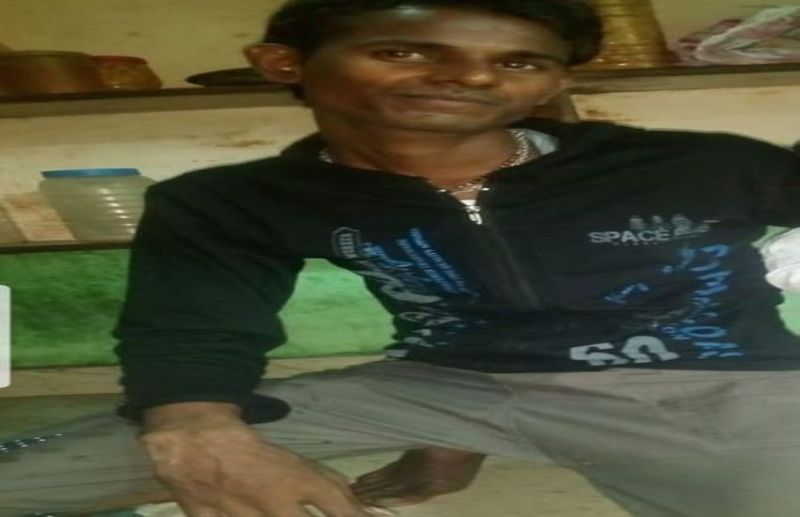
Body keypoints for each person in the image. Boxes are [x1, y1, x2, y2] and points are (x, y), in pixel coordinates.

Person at [2, 0, 800, 516]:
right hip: (442, 383)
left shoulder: (689, 164)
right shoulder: (232, 200)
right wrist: (198, 429)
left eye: (519, 61)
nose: (472, 75)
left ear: (552, 81)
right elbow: (190, 327)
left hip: (717, 384)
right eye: (404, 51)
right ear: (282, 64)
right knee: (28, 478)